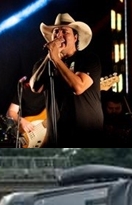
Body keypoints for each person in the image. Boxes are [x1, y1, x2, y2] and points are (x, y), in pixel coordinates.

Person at [29, 13, 103, 147]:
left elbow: (78, 87)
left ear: (75, 37)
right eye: (56, 32)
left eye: (65, 31)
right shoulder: (44, 64)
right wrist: (51, 56)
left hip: (86, 138)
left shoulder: (88, 59)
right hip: (57, 138)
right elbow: (35, 87)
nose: (59, 35)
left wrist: (56, 59)